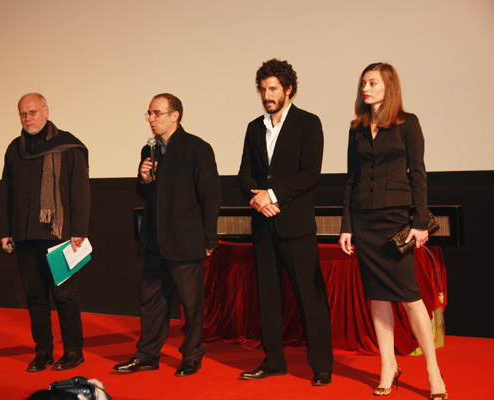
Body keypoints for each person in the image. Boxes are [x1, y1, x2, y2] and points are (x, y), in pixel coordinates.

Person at [338, 63, 447, 399]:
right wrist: (346, 226)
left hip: (396, 220)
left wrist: (419, 221)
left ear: (388, 86)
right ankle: (388, 365)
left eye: (372, 83)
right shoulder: (356, 127)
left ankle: (432, 369)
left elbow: (418, 174)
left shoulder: (406, 123)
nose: (365, 88)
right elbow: (351, 179)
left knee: (411, 297)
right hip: (364, 220)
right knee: (377, 295)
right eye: (362, 83)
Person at [237, 59, 333, 385]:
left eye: (273, 88)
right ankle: (274, 361)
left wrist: (272, 195)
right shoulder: (253, 127)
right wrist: (256, 199)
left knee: (310, 297)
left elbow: (310, 174)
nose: (267, 95)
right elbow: (245, 174)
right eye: (263, 89)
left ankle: (321, 366)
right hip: (263, 227)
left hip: (296, 228)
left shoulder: (308, 123)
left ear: (288, 89)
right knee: (268, 299)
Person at [113, 93, 221, 377]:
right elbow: (146, 193)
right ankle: (147, 354)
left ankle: (192, 356)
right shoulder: (149, 150)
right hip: (154, 240)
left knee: (191, 303)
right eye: (149, 113)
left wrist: (210, 240)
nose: (151, 119)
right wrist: (144, 179)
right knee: (150, 302)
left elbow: (210, 197)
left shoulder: (196, 148)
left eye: (157, 113)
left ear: (175, 116)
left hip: (185, 241)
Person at [0, 93, 90, 372]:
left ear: (46, 111)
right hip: (24, 236)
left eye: (33, 112)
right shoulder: (15, 148)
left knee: (64, 295)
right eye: (23, 114)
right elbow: (5, 193)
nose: (28, 119)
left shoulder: (68, 146)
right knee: (35, 296)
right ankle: (44, 352)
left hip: (59, 235)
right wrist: (6, 230)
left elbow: (80, 191)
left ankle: (73, 351)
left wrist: (79, 230)